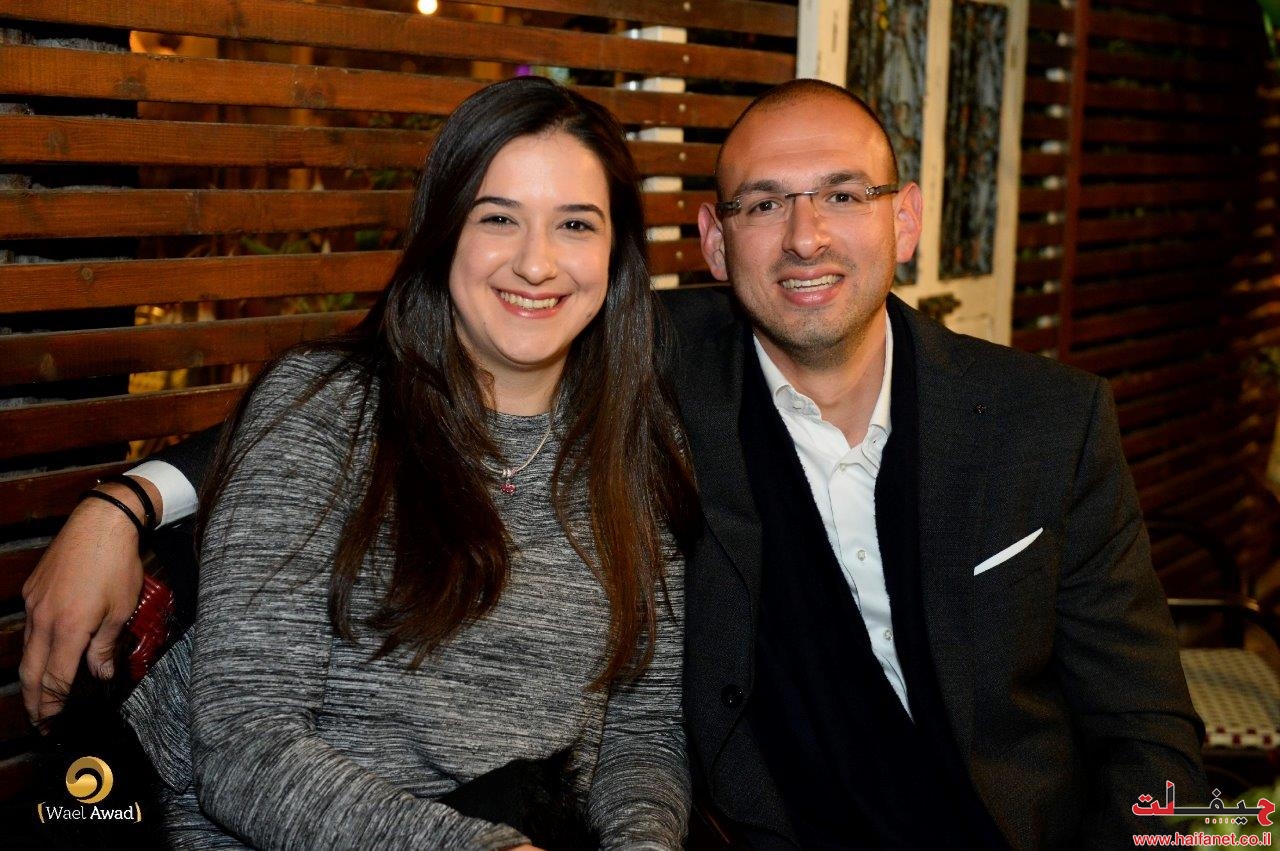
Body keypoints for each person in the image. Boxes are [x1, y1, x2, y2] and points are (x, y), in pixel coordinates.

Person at [23, 79, 1205, 849]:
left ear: (902, 217)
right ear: (713, 241)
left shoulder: (1048, 420)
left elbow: (1158, 733)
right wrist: (125, 499)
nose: (804, 237)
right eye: (763, 204)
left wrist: (1196, 838)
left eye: (841, 195)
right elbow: (348, 398)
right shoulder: (657, 381)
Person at [27, 75, 699, 849]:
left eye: (575, 224)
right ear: (443, 233)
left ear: (617, 253)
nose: (537, 263)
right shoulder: (324, 411)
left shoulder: (637, 447)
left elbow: (642, 732)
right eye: (498, 218)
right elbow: (243, 742)